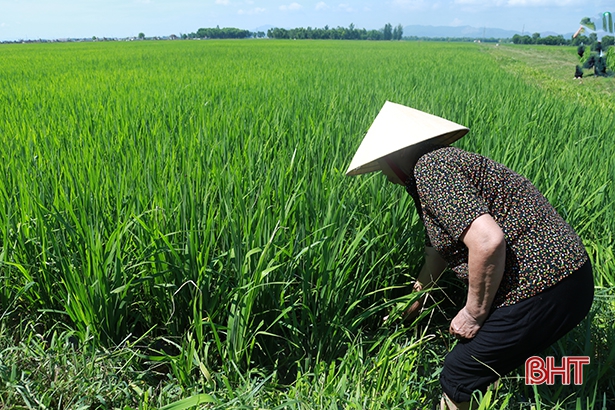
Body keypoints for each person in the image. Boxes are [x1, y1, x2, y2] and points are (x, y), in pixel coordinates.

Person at [345, 101, 594, 409]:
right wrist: (415, 299)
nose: (384, 175)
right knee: (487, 363)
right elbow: (438, 253)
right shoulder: (440, 168)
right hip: (566, 278)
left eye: (382, 166)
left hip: (544, 286)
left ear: (395, 158)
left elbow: (488, 242)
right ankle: (556, 385)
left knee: (460, 373)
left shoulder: (431, 169)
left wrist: (473, 312)